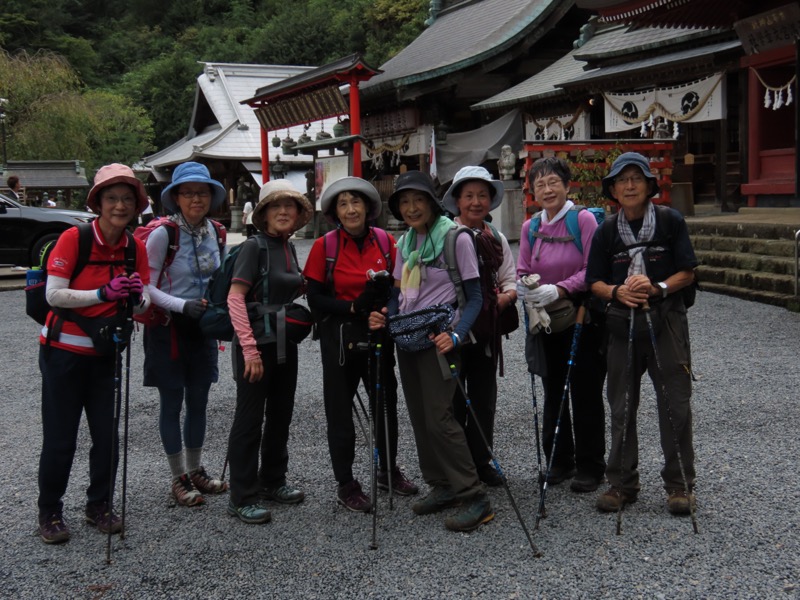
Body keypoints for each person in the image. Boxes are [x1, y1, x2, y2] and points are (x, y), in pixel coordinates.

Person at [369, 171, 493, 533]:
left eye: (417, 200)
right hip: (409, 339)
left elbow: (474, 297)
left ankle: (474, 496)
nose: (411, 208)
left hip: (440, 340)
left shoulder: (455, 239)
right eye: (404, 202)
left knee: (440, 417)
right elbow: (397, 293)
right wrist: (385, 314)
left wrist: (456, 335)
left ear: (432, 202)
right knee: (421, 417)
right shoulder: (405, 244)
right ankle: (441, 485)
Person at [36, 163, 151, 544]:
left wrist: (137, 297)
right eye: (112, 198)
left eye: (127, 199)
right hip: (63, 353)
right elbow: (54, 294)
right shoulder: (75, 238)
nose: (120, 206)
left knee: (107, 435)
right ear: (98, 203)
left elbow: (143, 301)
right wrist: (102, 294)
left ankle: (98, 504)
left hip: (106, 354)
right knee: (61, 436)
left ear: (137, 205)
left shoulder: (134, 246)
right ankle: (49, 511)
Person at [585, 152, 698, 515]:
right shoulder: (606, 230)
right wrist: (618, 292)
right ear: (613, 190)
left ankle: (679, 484)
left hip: (666, 320)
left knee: (675, 404)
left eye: (637, 178)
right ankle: (621, 482)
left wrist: (658, 287)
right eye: (622, 180)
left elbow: (688, 271)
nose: (630, 185)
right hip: (622, 324)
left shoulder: (669, 222)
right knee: (621, 404)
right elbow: (594, 282)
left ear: (650, 186)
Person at [304, 176, 418, 513]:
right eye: (343, 204)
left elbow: (399, 288)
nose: (351, 209)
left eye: (356, 202)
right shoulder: (324, 247)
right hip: (340, 339)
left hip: (378, 331)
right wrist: (353, 308)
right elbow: (314, 299)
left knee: (385, 404)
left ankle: (387, 469)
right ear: (335, 212)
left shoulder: (385, 241)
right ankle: (346, 483)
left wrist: (383, 311)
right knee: (340, 412)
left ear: (368, 208)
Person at [516, 157, 607, 493]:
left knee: (585, 392)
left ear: (567, 185)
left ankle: (591, 466)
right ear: (533, 192)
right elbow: (522, 268)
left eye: (553, 181)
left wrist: (560, 288)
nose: (547, 189)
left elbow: (593, 268)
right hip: (546, 322)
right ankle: (559, 461)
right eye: (540, 184)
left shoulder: (582, 220)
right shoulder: (530, 228)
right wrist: (529, 287)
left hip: (580, 318)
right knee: (554, 391)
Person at [226, 179, 313, 524]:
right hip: (256, 346)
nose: (283, 212)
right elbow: (235, 298)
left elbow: (287, 289)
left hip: (283, 343)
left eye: (289, 206)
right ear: (262, 215)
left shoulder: (288, 247)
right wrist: (248, 349)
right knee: (249, 421)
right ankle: (241, 495)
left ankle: (272, 480)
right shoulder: (254, 247)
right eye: (275, 207)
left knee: (280, 415)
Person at [143, 161, 228, 507]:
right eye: (189, 192)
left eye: (203, 192)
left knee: (199, 401)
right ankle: (177, 477)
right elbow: (146, 286)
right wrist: (180, 305)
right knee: (172, 402)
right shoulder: (164, 234)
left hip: (203, 327)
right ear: (175, 197)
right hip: (168, 328)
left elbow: (219, 278)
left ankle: (195, 470)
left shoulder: (217, 232)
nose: (196, 198)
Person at [441, 166, 517, 487]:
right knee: (454, 400)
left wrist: (503, 299)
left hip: (486, 332)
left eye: (482, 195)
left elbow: (510, 279)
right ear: (457, 200)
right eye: (468, 195)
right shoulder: (444, 235)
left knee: (484, 399)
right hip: (454, 332)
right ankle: (459, 465)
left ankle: (482, 459)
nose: (476, 202)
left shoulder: (495, 238)